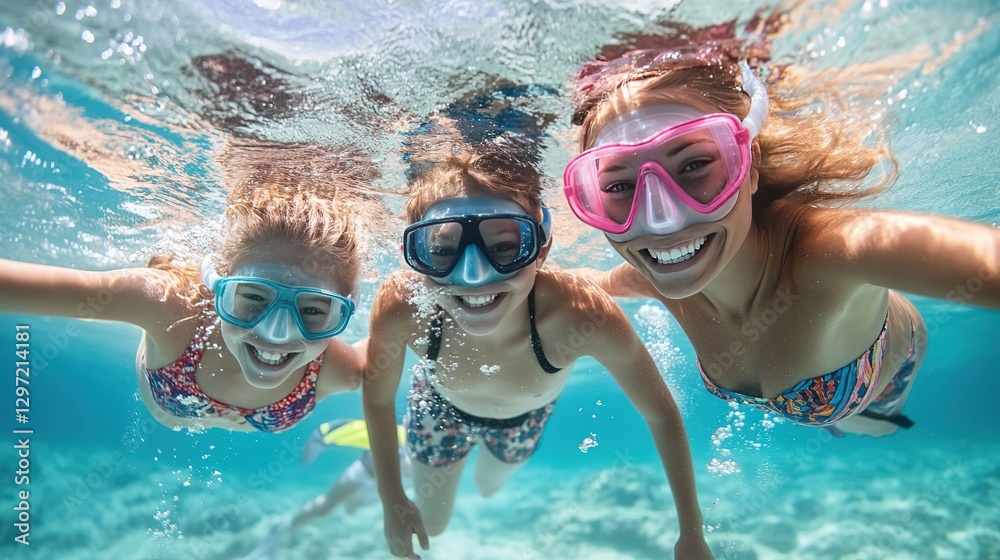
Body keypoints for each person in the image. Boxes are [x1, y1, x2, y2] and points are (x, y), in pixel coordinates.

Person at [561, 29, 999, 437]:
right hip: (825, 400)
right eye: (618, 187)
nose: (662, 219)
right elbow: (594, 282)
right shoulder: (651, 277)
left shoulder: (834, 252)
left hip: (886, 375)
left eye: (694, 165)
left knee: (869, 427)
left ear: (747, 165)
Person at [362, 149, 712, 559]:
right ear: (416, 257)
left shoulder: (582, 315)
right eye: (441, 251)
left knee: (490, 488)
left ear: (540, 248)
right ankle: (377, 467)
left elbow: (661, 413)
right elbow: (379, 395)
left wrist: (692, 532)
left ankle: (606, 277)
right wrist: (391, 498)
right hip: (439, 409)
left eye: (506, 247)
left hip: (523, 420)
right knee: (432, 524)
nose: (474, 275)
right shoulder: (402, 304)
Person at [0, 150, 370, 432]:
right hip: (170, 400)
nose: (276, 332)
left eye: (312, 310)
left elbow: (405, 325)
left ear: (344, 311)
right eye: (254, 298)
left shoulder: (340, 368)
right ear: (216, 287)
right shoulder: (170, 307)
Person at [243, 418, 411, 560]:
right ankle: (281, 528)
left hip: (391, 485)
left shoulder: (432, 453)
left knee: (353, 506)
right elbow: (346, 428)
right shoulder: (400, 436)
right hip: (364, 473)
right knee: (325, 507)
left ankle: (353, 504)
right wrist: (317, 442)